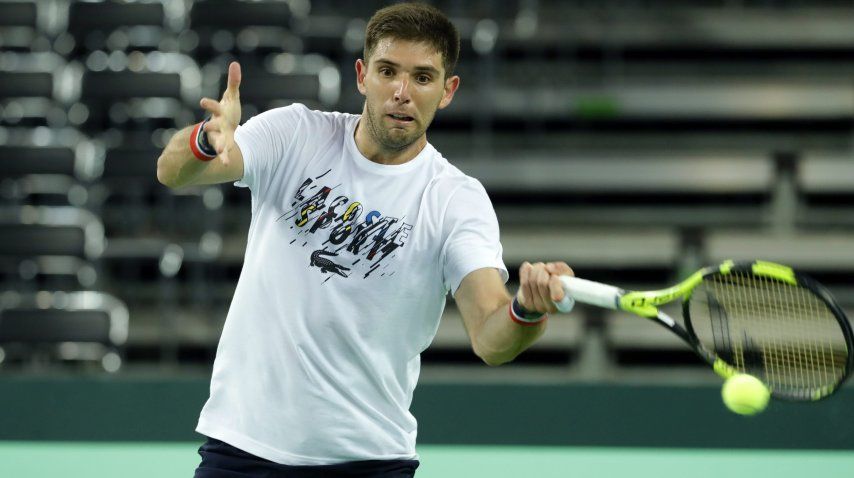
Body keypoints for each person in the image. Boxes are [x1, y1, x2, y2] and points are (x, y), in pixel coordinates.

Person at [157, 3, 573, 477]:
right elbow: (172, 172)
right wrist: (206, 142)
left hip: (368, 461)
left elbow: (490, 339)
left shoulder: (456, 200)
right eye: (387, 71)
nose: (401, 92)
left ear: (447, 90)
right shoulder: (295, 134)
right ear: (361, 75)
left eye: (422, 77)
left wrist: (526, 310)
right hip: (242, 448)